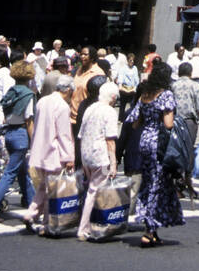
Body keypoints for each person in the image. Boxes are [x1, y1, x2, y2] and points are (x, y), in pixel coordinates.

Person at [124, 64, 184, 245]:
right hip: (159, 143)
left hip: (144, 140)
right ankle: (149, 229)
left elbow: (134, 123)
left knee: (150, 181)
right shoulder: (165, 95)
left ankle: (154, 228)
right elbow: (168, 123)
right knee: (156, 185)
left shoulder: (145, 95)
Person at [23, 75, 75, 231]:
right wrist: (69, 157)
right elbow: (64, 134)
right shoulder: (63, 107)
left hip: (39, 149)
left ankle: (31, 213)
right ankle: (46, 223)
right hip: (54, 152)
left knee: (43, 186)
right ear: (68, 90)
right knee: (52, 189)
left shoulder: (42, 101)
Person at [0, 60, 35, 219]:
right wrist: (34, 140)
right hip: (21, 133)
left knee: (23, 172)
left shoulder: (11, 91)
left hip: (9, 132)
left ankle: (32, 202)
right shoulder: (28, 94)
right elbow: (29, 120)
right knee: (9, 174)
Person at [77, 81, 120, 241]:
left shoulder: (90, 108)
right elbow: (110, 140)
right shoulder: (109, 112)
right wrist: (113, 163)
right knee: (94, 191)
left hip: (86, 154)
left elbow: (81, 135)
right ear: (113, 97)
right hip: (100, 157)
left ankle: (90, 224)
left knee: (90, 188)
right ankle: (85, 227)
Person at [172, 62, 199, 146]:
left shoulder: (173, 85)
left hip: (174, 122)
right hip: (189, 123)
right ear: (190, 73)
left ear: (179, 73)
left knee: (175, 149)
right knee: (188, 150)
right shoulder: (195, 85)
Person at [70, 46, 104, 131]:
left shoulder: (98, 74)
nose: (82, 57)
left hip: (85, 119)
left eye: (85, 54)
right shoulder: (78, 70)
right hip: (71, 117)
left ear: (92, 57)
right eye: (81, 54)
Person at [114, 51, 140, 121]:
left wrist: (135, 87)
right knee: (122, 105)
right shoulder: (123, 68)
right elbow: (121, 77)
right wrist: (120, 86)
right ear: (127, 60)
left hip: (132, 88)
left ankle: (131, 118)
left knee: (132, 104)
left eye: (133, 60)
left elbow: (136, 79)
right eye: (130, 60)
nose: (131, 62)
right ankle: (121, 118)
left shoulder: (135, 68)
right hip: (124, 88)